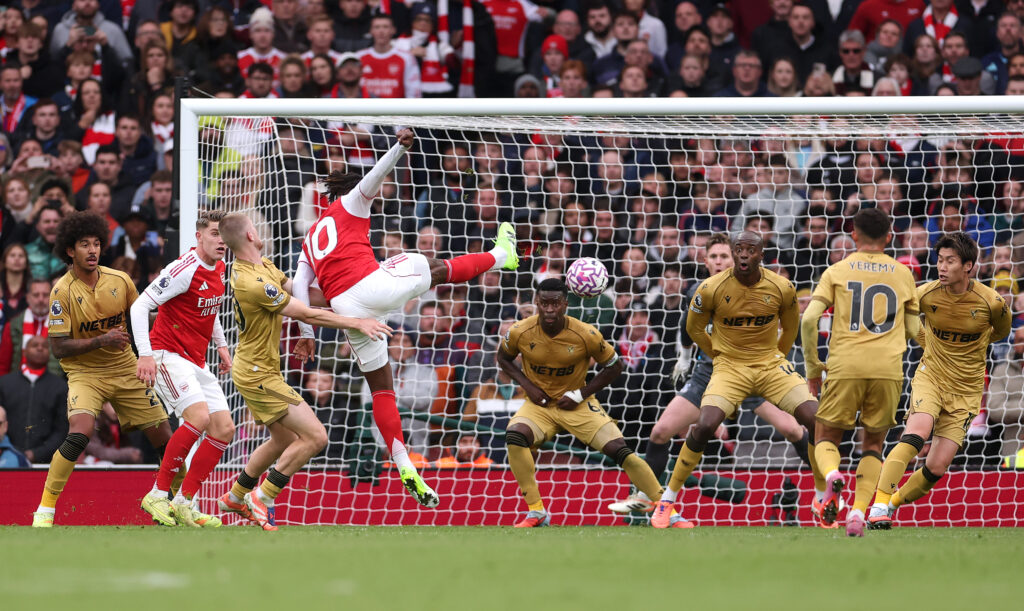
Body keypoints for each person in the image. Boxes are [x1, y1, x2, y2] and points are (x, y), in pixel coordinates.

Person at [291, 128, 519, 509]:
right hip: (368, 287)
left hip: (346, 310)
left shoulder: (311, 236)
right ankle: (500, 257)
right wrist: (399, 147)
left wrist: (306, 332)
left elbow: (300, 284)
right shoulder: (350, 204)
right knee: (430, 265)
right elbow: (373, 178)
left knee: (382, 388)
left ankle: (401, 463)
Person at [609, 234, 812, 514]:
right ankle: (646, 496)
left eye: (724, 257)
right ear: (704, 261)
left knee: (792, 429)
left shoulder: (761, 286)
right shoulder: (699, 291)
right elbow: (686, 327)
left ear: (736, 259)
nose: (719, 262)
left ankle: (825, 489)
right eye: (714, 257)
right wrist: (684, 357)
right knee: (660, 431)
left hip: (757, 371)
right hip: (711, 374)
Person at [215, 212, 391, 530]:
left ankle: (236, 496)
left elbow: (304, 293)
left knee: (282, 438)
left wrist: (356, 293)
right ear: (251, 236)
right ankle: (262, 497)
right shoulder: (252, 283)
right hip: (257, 374)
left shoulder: (263, 266)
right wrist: (357, 322)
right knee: (315, 436)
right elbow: (307, 313)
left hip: (260, 368)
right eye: (256, 228)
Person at [31, 211, 173, 528]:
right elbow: (58, 347)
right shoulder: (61, 291)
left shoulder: (120, 280)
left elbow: (143, 318)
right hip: (85, 374)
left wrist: (169, 308)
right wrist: (102, 340)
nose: (93, 250)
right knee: (79, 434)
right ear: (70, 250)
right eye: (85, 244)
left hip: (126, 369)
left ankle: (178, 503)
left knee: (166, 438)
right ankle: (45, 509)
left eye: (96, 243)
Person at [498, 278, 670, 527]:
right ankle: (536, 512)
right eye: (544, 303)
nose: (549, 309)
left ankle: (668, 510)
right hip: (540, 406)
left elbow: (614, 366)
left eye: (555, 303)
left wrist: (580, 393)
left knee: (620, 450)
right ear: (536, 302)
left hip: (577, 405)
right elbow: (503, 358)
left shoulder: (585, 333)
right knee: (514, 436)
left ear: (565, 304)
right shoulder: (518, 331)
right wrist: (528, 386)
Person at [869, 232, 1010, 529]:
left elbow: (1000, 332)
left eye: (950, 261)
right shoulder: (927, 294)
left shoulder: (992, 302)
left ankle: (891, 505)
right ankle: (879, 503)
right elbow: (903, 320)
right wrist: (926, 340)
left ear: (968, 266)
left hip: (967, 389)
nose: (941, 267)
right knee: (917, 432)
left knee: (936, 466)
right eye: (939, 260)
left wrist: (970, 345)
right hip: (931, 376)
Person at [800, 208, 920, 537]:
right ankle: (857, 511)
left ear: (853, 234)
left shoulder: (837, 270)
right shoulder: (903, 273)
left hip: (845, 365)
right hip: (888, 370)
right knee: (873, 446)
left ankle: (832, 477)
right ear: (889, 237)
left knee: (826, 437)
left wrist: (813, 369)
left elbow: (809, 320)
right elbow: (914, 330)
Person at [132, 210, 233, 528]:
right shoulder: (183, 268)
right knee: (199, 418)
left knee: (224, 428)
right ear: (199, 236)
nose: (221, 240)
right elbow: (140, 306)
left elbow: (210, 306)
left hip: (196, 360)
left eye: (224, 234)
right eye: (215, 233)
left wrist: (222, 346)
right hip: (166, 355)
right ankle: (157, 493)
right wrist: (145, 355)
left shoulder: (220, 266)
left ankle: (184, 501)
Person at [0, 335, 68, 464]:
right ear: (24, 351)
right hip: (8, 459)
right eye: (34, 345)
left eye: (44, 346)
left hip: (48, 462)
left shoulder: (61, 387)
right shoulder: (4, 384)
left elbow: (62, 429)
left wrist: (36, 454)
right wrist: (13, 452)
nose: (40, 349)